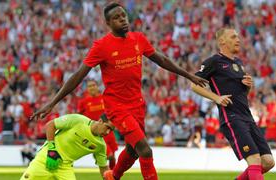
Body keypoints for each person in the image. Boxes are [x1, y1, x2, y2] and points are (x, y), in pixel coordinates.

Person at [31, 2, 208, 180]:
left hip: (137, 104)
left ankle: (113, 176)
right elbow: (78, 75)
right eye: (116, 18)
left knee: (133, 150)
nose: (122, 20)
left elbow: (161, 59)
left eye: (123, 16)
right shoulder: (102, 46)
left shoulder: (138, 39)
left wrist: (189, 76)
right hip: (117, 107)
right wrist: (52, 103)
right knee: (145, 150)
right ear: (108, 23)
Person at [191, 28, 275, 180]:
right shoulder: (214, 61)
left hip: (247, 117)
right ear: (222, 41)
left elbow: (242, 94)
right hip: (232, 117)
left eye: (238, 36)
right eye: (233, 37)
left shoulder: (238, 63)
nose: (238, 40)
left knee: (268, 162)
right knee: (254, 160)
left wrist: (248, 86)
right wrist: (216, 97)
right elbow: (194, 85)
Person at [20, 114, 114, 180]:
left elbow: (103, 168)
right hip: (46, 158)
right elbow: (50, 125)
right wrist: (52, 150)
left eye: (111, 130)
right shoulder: (78, 120)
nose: (107, 132)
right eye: (107, 127)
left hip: (65, 168)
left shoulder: (101, 146)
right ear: (100, 121)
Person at [78, 79, 118, 169]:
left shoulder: (104, 99)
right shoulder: (83, 102)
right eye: (89, 86)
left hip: (108, 130)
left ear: (97, 87)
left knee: (113, 158)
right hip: (95, 133)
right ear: (87, 89)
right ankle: (108, 173)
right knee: (109, 155)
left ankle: (114, 176)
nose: (91, 87)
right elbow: (79, 117)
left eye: (93, 85)